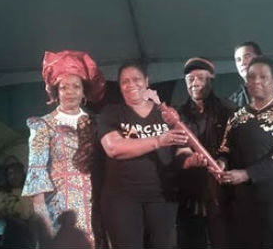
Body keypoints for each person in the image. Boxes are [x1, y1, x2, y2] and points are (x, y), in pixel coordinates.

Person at [97, 61, 206, 249]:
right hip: (122, 199)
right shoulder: (111, 113)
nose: (131, 84)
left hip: (162, 197)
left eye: (136, 79)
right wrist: (158, 140)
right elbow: (114, 148)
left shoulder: (168, 114)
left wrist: (190, 160)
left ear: (147, 81)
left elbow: (181, 149)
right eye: (125, 81)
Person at [216, 56, 273, 248]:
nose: (256, 81)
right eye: (251, 77)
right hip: (248, 196)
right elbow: (225, 148)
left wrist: (247, 174)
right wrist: (221, 162)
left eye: (263, 77)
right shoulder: (237, 116)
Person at [21, 50, 105, 248]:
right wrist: (45, 227)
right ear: (56, 92)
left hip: (95, 205)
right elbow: (36, 175)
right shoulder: (43, 125)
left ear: (84, 91)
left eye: (76, 86)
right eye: (63, 87)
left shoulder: (96, 123)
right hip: (59, 207)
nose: (70, 92)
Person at [177, 57, 236, 249]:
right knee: (192, 240)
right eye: (190, 78)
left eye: (200, 78)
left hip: (221, 189)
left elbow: (235, 144)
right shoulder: (178, 114)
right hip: (189, 190)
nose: (195, 83)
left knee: (222, 239)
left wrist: (223, 160)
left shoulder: (228, 110)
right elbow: (174, 150)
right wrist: (187, 158)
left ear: (211, 79)